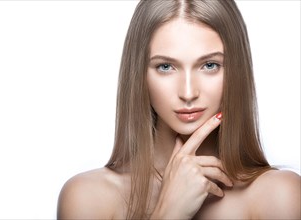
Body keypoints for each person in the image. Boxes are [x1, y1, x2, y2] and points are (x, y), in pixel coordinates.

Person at [57, 0, 300, 219]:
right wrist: (168, 212)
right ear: (139, 75)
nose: (188, 92)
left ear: (237, 71)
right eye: (165, 67)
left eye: (209, 65)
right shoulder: (87, 199)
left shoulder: (278, 196)